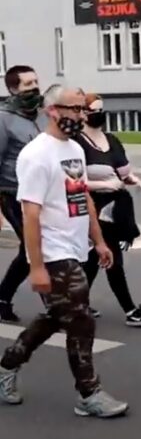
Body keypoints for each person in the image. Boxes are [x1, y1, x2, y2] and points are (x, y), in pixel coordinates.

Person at [0, 85, 128, 417]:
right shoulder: (36, 155)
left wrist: (98, 240)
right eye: (73, 109)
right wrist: (37, 266)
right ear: (51, 111)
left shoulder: (73, 149)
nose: (80, 115)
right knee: (81, 319)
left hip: (75, 247)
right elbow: (29, 212)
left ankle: (6, 365)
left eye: (82, 109)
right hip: (53, 252)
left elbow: (80, 195)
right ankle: (89, 393)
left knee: (58, 315)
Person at [76, 93, 141, 327]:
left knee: (93, 259)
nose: (99, 114)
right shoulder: (78, 143)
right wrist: (104, 184)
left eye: (101, 109)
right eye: (93, 110)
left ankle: (78, 304)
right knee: (111, 257)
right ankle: (130, 310)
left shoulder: (111, 139)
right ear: (83, 113)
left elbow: (121, 172)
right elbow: (75, 181)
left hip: (116, 207)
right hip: (95, 205)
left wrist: (131, 179)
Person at [0, 65, 45, 324]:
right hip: (12, 193)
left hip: (40, 195)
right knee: (35, 247)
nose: (35, 88)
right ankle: (54, 305)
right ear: (14, 89)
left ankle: (2, 298)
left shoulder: (40, 116)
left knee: (29, 249)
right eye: (28, 84)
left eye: (36, 82)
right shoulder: (4, 118)